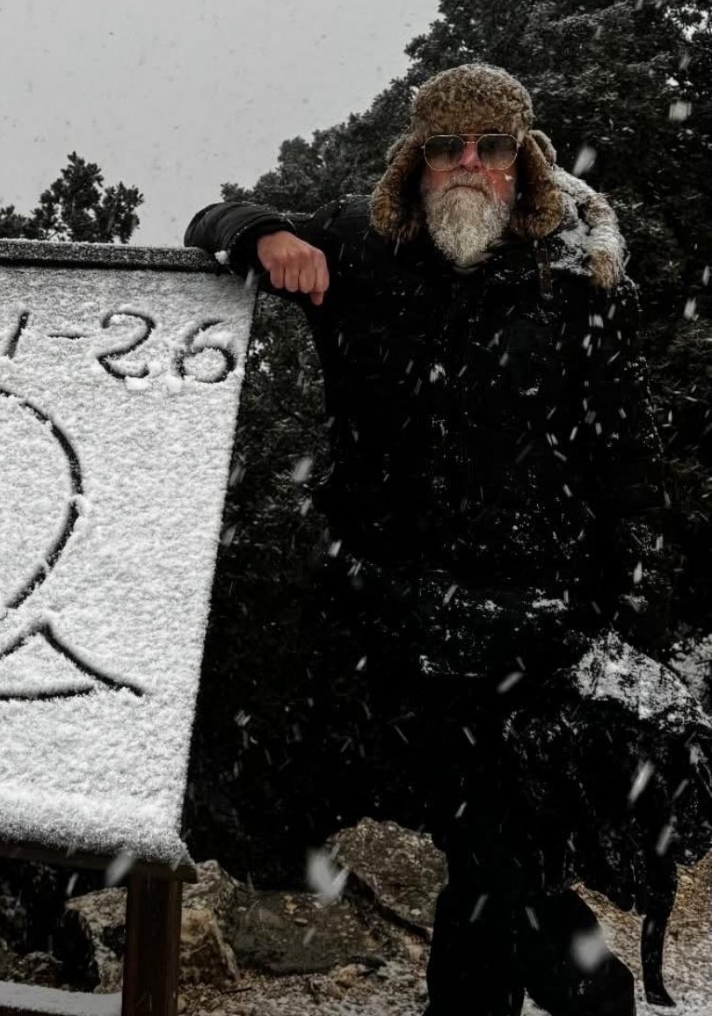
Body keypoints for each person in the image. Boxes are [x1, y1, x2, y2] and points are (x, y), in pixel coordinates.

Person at [185, 64, 711, 1015]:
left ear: (525, 157)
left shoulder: (576, 277)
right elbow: (214, 218)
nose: (470, 165)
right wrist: (263, 235)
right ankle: (592, 995)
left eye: (492, 147)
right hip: (393, 617)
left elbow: (626, 452)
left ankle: (572, 997)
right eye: (447, 147)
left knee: (492, 854)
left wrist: (613, 596)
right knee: (493, 848)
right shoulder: (362, 242)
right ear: (416, 158)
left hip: (533, 621)